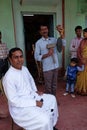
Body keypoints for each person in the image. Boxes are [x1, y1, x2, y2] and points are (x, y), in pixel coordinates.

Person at [2, 47, 59, 130]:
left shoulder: (24, 69)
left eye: (21, 56)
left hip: (32, 96)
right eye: (16, 57)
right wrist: (34, 103)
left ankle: (51, 126)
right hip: (21, 108)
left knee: (52, 99)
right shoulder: (8, 77)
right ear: (10, 59)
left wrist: (35, 91)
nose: (19, 60)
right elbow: (14, 101)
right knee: (44, 120)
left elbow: (31, 80)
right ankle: (46, 125)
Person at [34, 24, 66, 96]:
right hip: (47, 68)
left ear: (48, 30)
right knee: (48, 86)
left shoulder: (53, 40)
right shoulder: (38, 43)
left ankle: (53, 100)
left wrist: (61, 33)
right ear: (40, 32)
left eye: (45, 29)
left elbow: (62, 45)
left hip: (55, 65)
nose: (44, 31)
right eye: (42, 30)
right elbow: (36, 57)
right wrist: (47, 54)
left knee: (54, 85)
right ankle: (49, 102)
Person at [75, 28, 87, 95]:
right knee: (81, 75)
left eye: (85, 33)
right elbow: (78, 51)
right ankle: (81, 89)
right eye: (83, 33)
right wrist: (81, 59)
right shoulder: (82, 41)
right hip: (82, 61)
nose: (83, 34)